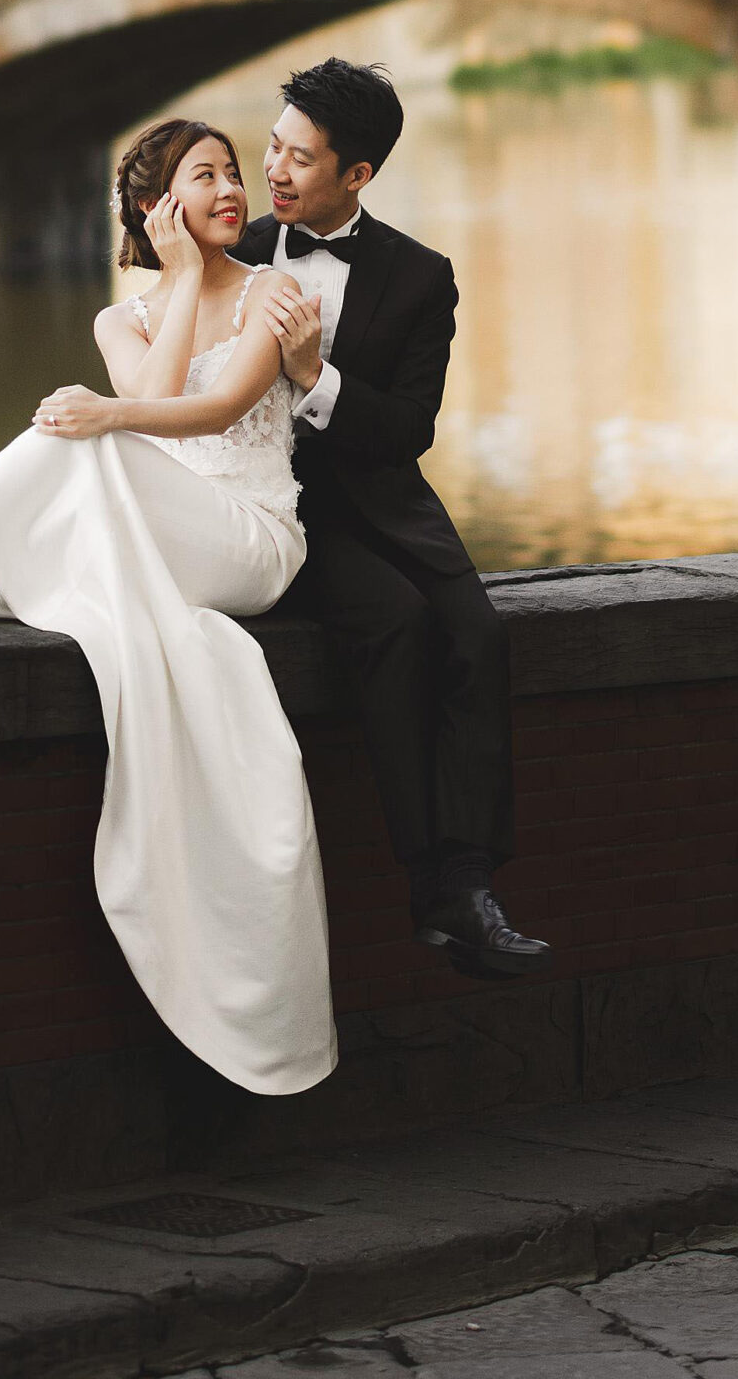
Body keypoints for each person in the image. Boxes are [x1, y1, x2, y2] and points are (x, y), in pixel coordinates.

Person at [0, 118, 336, 1100]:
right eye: (204, 177)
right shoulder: (119, 318)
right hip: (154, 513)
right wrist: (167, 294)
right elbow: (154, 386)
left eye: (229, 173)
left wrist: (103, 411)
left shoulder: (275, 294)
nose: (230, 190)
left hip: (250, 536)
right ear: (158, 209)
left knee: (83, 440)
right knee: (53, 505)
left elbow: (202, 413)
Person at [234, 57, 550, 980]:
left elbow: (412, 426)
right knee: (396, 623)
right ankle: (435, 882)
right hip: (278, 508)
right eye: (272, 147)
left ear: (358, 174)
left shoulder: (420, 277)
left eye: (300, 157)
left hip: (386, 498)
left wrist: (312, 377)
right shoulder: (233, 253)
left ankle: (471, 879)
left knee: (478, 633)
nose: (275, 170)